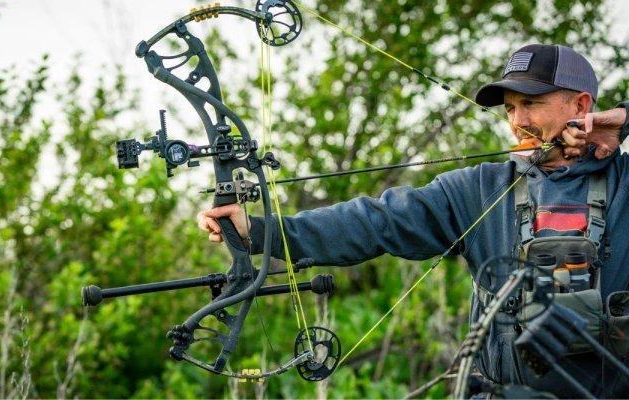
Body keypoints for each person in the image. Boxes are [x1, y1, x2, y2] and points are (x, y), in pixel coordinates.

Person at [197, 44, 629, 397]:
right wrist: (259, 232)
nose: (518, 122)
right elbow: (373, 222)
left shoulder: (623, 183)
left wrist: (621, 120)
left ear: (581, 105)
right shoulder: (478, 188)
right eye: (510, 108)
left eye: (531, 103)